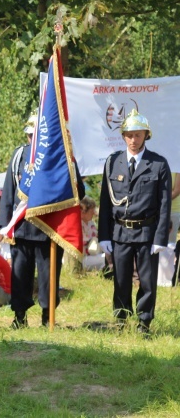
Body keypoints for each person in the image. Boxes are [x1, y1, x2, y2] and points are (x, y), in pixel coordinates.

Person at [0, 111, 84, 328]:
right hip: (23, 226)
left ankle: (48, 317)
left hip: (50, 228)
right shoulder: (19, 155)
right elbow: (9, 191)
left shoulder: (62, 158)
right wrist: (4, 224)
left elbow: (79, 192)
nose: (31, 140)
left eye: (35, 136)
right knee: (20, 276)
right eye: (29, 136)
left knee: (48, 278)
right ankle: (19, 317)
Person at [98, 109, 171, 334]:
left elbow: (164, 204)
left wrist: (160, 238)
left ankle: (143, 323)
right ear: (123, 136)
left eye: (138, 135)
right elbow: (105, 203)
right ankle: (121, 320)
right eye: (129, 135)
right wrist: (103, 236)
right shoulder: (113, 163)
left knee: (147, 283)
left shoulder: (158, 164)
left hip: (147, 232)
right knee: (121, 280)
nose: (133, 139)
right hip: (120, 233)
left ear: (145, 135)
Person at [80, 196, 104, 271]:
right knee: (105, 259)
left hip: (93, 255)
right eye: (91, 211)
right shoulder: (78, 224)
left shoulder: (90, 223)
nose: (93, 213)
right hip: (82, 258)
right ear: (83, 212)